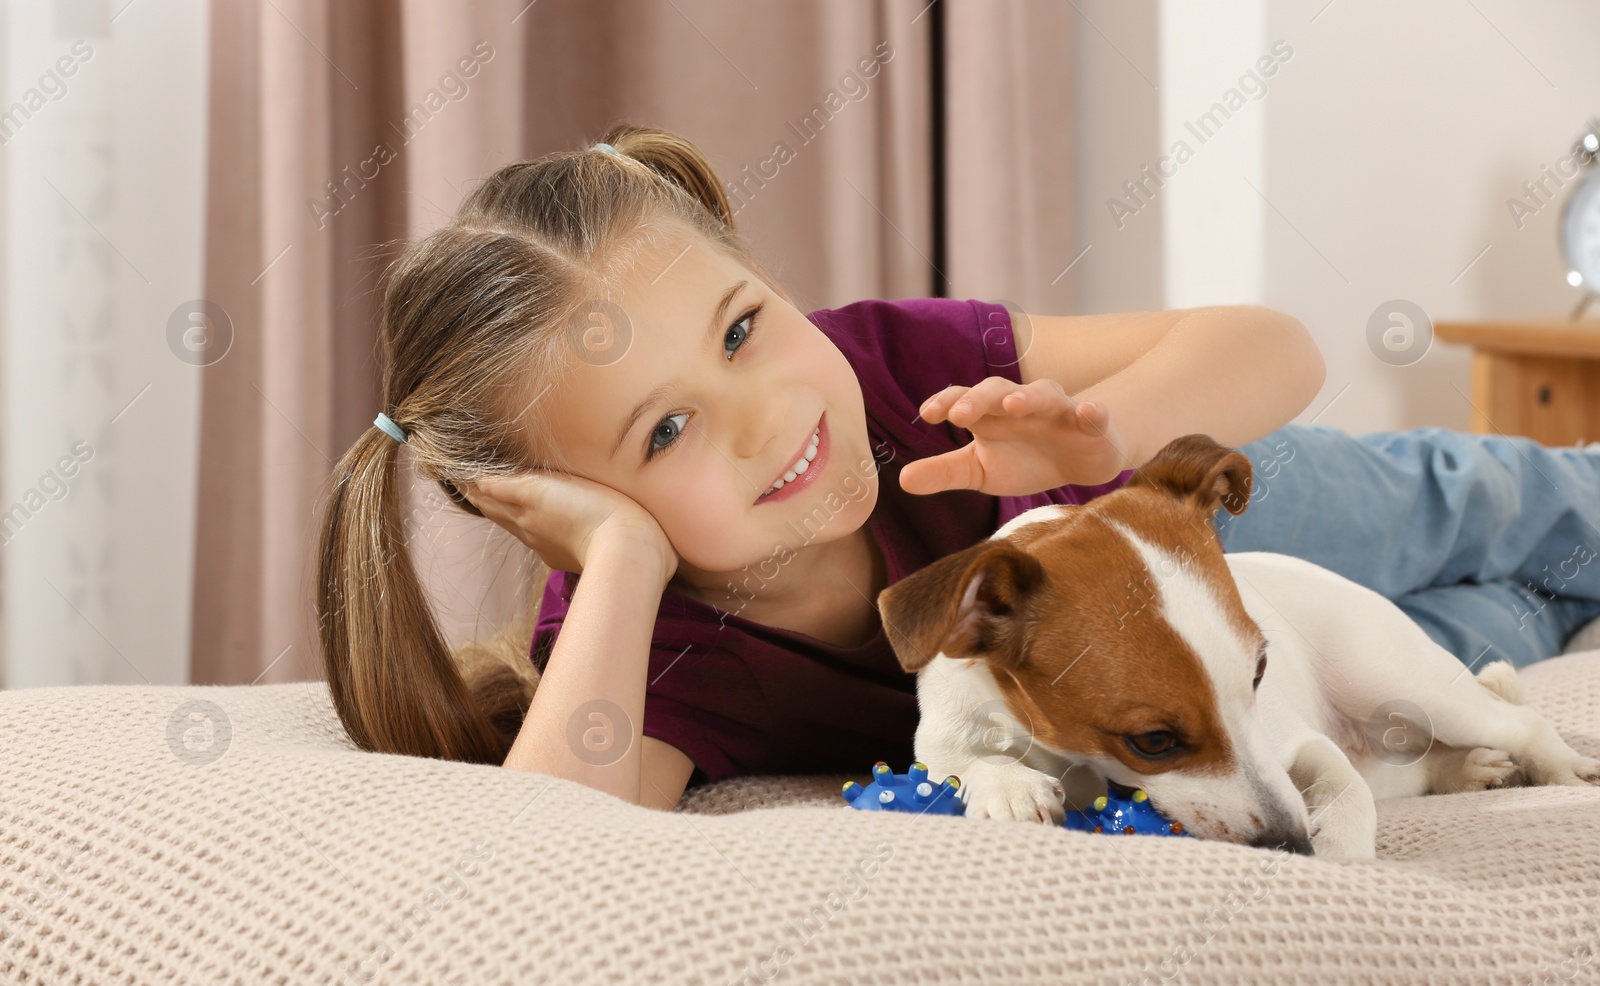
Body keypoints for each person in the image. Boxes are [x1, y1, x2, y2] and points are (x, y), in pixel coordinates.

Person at [315, 122, 1600, 813]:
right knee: (1485, 632)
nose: (763, 416)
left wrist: (1114, 431)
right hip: (1240, 684)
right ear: (575, 521)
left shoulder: (903, 369)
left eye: (745, 327)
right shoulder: (657, 654)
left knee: (1476, 500)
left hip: (1215, 513)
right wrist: (621, 568)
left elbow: (1275, 345)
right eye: (664, 432)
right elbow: (546, 851)